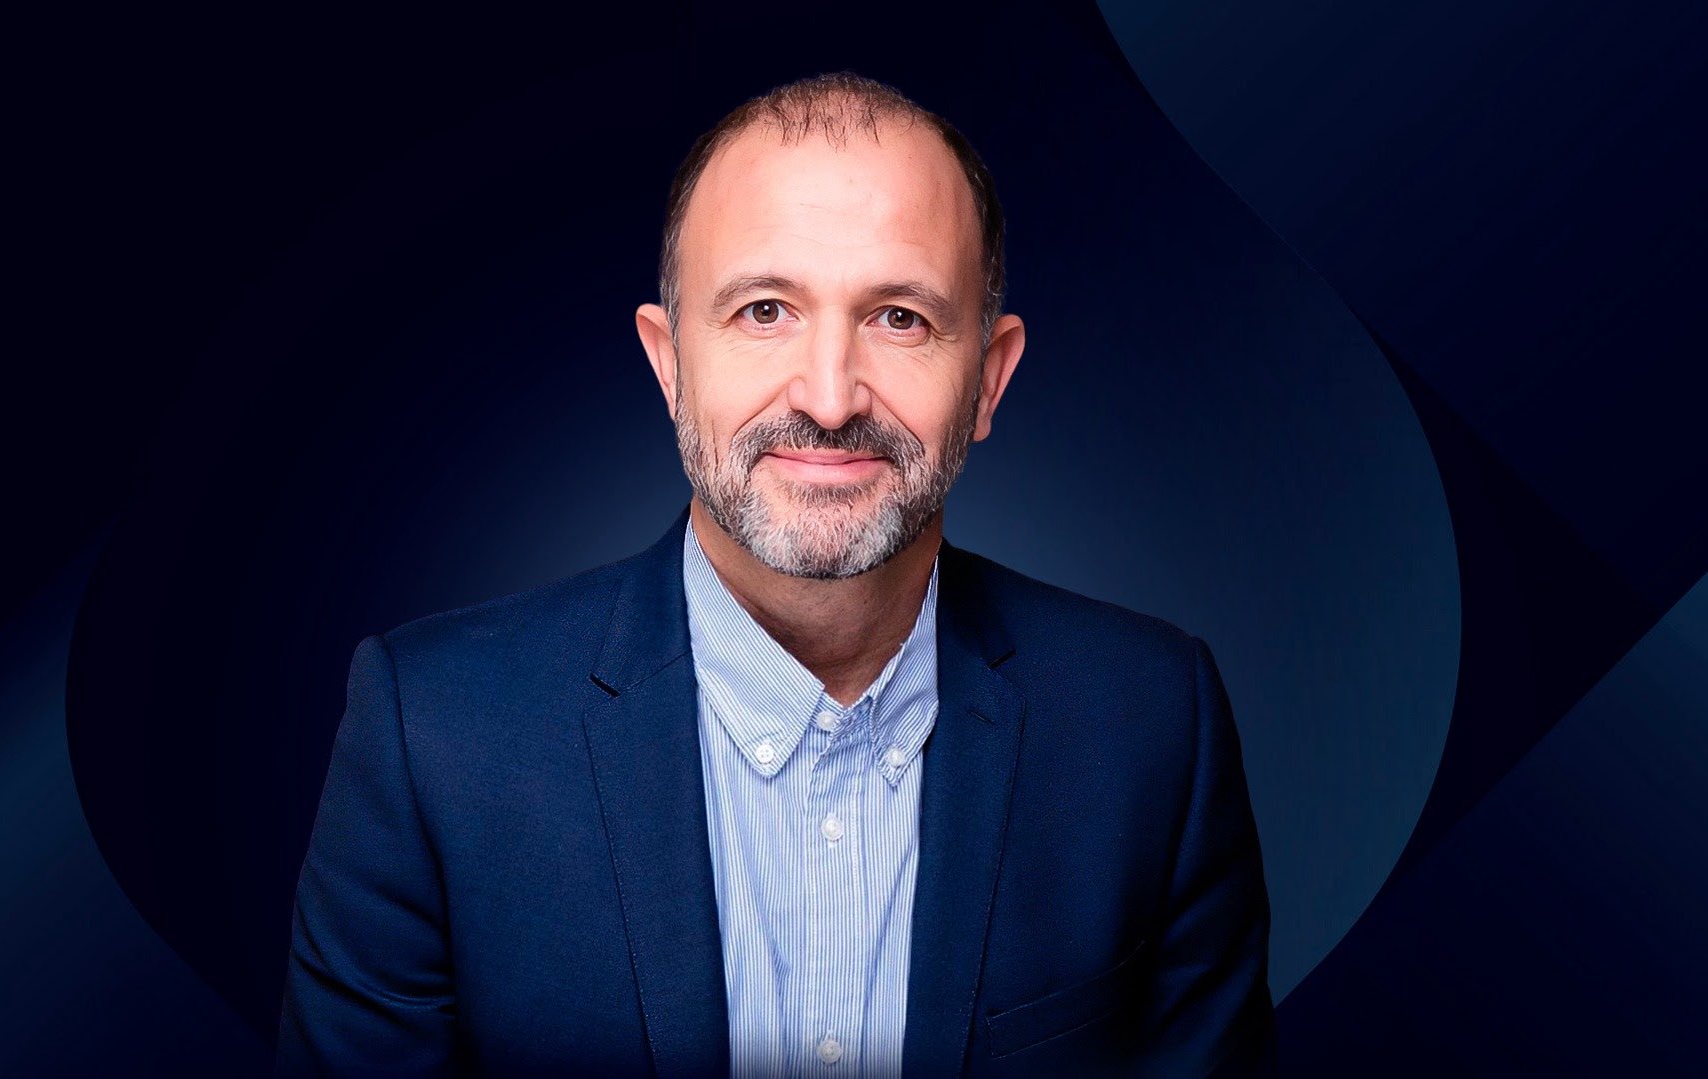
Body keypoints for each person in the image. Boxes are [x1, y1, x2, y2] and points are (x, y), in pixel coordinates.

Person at [276, 72, 1274, 1076]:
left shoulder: (1153, 726)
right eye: (764, 310)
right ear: (669, 364)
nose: (830, 398)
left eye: (899, 317)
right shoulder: (431, 735)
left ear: (988, 376)